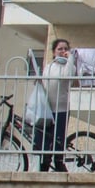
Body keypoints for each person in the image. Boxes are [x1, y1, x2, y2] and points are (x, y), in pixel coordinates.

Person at [37, 37, 77, 172]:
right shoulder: (49, 67)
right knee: (46, 138)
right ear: (54, 52)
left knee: (58, 138)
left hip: (61, 109)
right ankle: (45, 163)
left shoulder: (70, 66)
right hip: (48, 109)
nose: (63, 51)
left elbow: (67, 76)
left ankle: (59, 161)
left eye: (66, 49)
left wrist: (70, 59)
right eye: (60, 49)